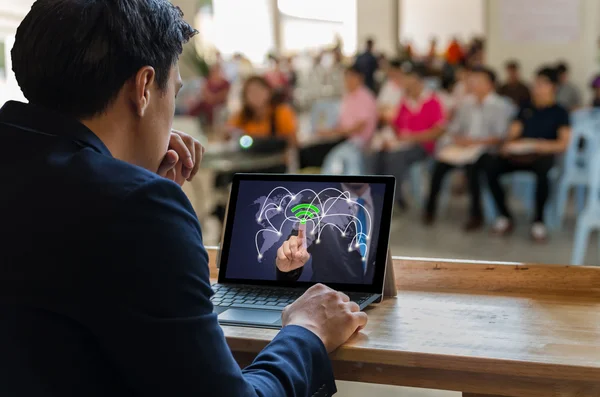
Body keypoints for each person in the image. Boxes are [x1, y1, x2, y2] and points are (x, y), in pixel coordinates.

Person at [0, 1, 367, 397]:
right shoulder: (140, 208)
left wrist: (134, 186)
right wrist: (306, 331)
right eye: (173, 92)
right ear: (143, 89)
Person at [483, 67, 571, 242]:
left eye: (541, 84)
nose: (536, 88)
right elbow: (514, 131)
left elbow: (562, 144)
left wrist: (539, 145)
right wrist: (508, 142)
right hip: (520, 155)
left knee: (543, 171)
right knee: (490, 165)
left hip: (542, 155)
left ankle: (538, 221)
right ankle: (504, 216)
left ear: (553, 87)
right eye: (535, 83)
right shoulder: (526, 107)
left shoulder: (560, 112)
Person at [424, 66, 512, 231]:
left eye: (479, 81)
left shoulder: (500, 105)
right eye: (473, 80)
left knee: (474, 168)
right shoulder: (466, 103)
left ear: (490, 84)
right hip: (463, 147)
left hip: (486, 149)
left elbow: (500, 136)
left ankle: (476, 214)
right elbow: (455, 128)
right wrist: (459, 139)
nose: (474, 84)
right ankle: (429, 209)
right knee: (439, 165)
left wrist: (475, 142)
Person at [370, 60, 446, 209]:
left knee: (395, 157)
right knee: (378, 154)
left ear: (417, 80)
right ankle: (379, 196)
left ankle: (388, 200)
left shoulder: (433, 101)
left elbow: (438, 132)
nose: (403, 82)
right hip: (403, 142)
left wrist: (411, 138)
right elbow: (398, 127)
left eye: (407, 78)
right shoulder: (405, 101)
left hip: (423, 146)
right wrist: (389, 137)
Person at [275, 183, 384, 284]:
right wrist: (288, 263)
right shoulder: (316, 203)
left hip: (371, 299)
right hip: (326, 300)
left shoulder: (381, 201)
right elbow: (299, 241)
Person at [319, 65, 378, 175]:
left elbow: (360, 127)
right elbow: (341, 121)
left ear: (360, 78)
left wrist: (334, 132)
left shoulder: (365, 97)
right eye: (346, 77)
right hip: (345, 138)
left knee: (335, 160)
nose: (348, 81)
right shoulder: (347, 96)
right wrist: (328, 130)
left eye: (351, 77)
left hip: (359, 142)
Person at [227, 75, 298, 148]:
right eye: (251, 92)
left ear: (269, 92)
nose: (256, 95)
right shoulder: (241, 116)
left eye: (259, 90)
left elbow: (293, 142)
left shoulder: (281, 112)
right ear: (245, 97)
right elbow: (228, 134)